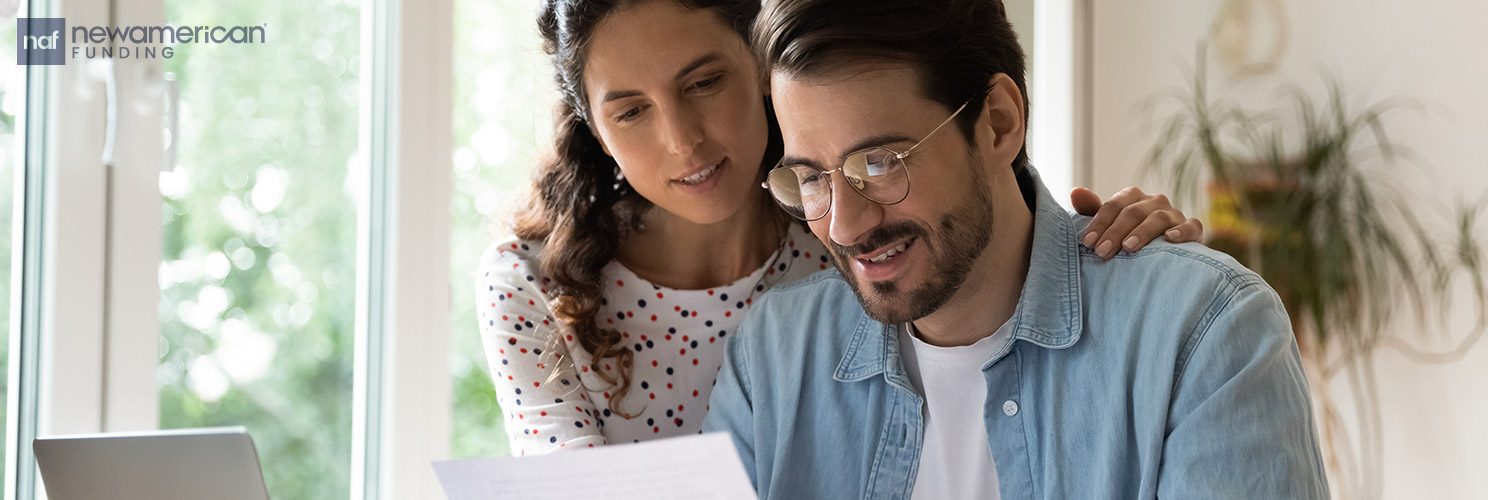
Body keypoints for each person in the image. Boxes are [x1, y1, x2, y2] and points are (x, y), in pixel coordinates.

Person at [475, 0, 1204, 456]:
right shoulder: (535, 286)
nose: (683, 141)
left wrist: (1123, 260)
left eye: (705, 83)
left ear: (763, 76)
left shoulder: (845, 247)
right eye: (630, 110)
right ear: (597, 131)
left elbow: (981, 206)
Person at [701, 0, 1329, 498]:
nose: (843, 224)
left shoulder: (1203, 334)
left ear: (999, 121)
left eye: (881, 162)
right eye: (811, 177)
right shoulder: (774, 356)